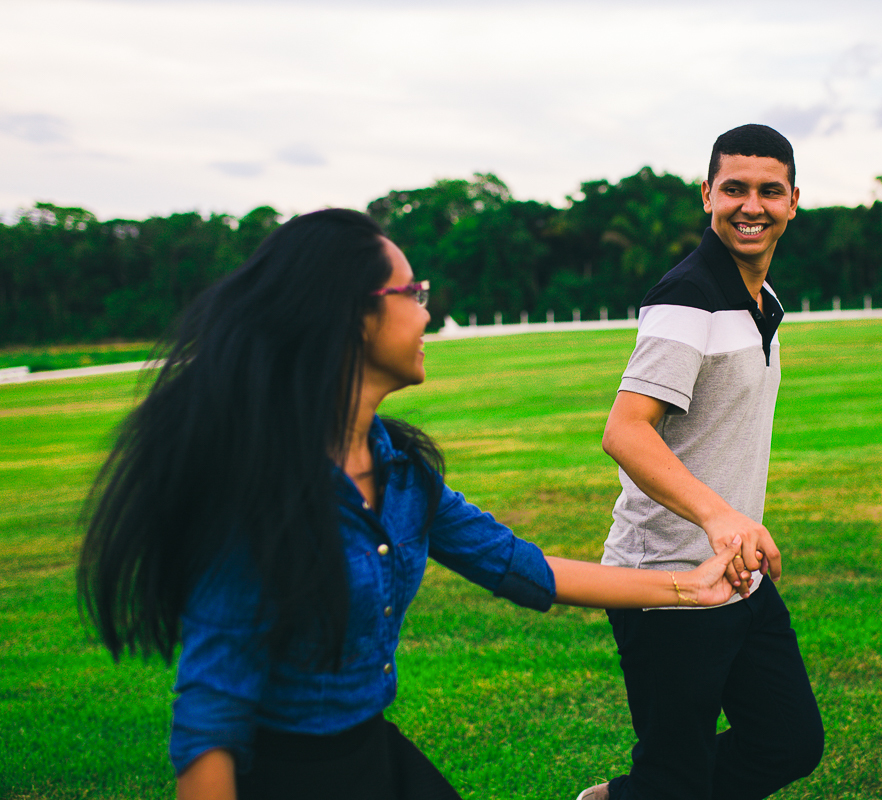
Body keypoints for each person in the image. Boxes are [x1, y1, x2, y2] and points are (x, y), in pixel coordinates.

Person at [76, 208, 751, 800]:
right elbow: (207, 730)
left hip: (370, 755)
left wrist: (689, 586)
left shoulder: (401, 475)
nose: (429, 311)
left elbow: (520, 567)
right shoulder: (257, 498)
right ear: (354, 314)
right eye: (413, 292)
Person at [579, 125, 825, 800]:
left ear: (793, 200)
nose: (752, 205)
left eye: (769, 190)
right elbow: (625, 432)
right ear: (707, 196)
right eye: (734, 189)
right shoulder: (687, 298)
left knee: (788, 741)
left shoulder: (762, 300)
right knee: (676, 773)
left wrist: (729, 531)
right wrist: (721, 517)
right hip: (665, 581)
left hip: (735, 573)